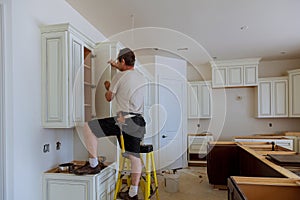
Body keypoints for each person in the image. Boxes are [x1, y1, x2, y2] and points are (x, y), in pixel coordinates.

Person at [74, 48, 146, 200]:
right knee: (134, 157)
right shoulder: (140, 76)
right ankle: (133, 194)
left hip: (124, 119)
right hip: (138, 120)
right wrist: (116, 67)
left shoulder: (119, 76)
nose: (116, 64)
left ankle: (93, 165)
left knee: (89, 127)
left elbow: (109, 98)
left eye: (118, 61)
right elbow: (126, 86)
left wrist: (108, 86)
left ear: (123, 62)